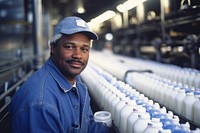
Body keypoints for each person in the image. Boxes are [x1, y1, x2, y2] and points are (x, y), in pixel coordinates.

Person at [9, 16, 111, 133]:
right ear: (53, 48)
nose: (78, 55)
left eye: (84, 49)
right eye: (69, 47)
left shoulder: (76, 83)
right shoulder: (41, 103)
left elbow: (88, 125)